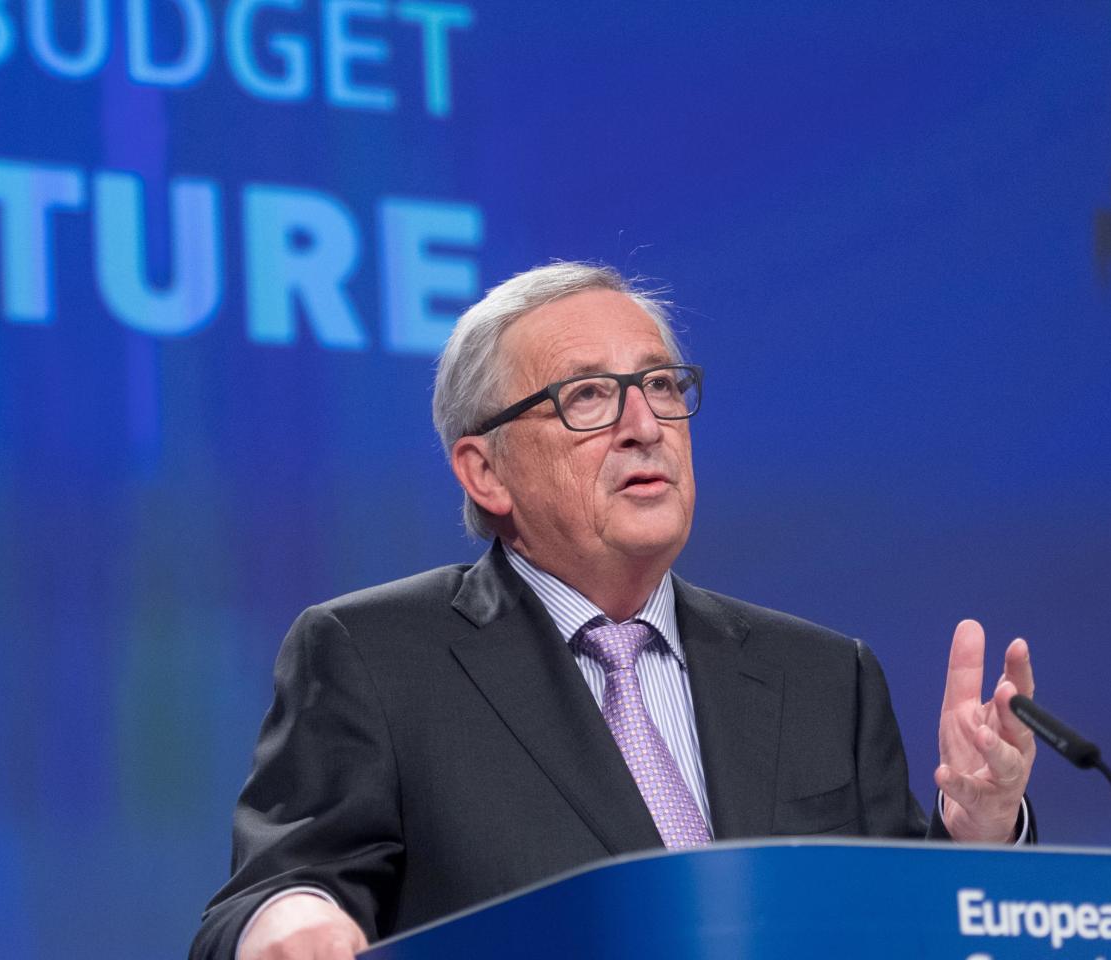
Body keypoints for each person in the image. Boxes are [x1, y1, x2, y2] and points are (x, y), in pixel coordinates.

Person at [190, 263, 1036, 960]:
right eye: (588, 397)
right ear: (485, 472)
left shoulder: (822, 676)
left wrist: (980, 837)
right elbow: (273, 889)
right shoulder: (376, 656)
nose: (645, 425)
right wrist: (291, 919)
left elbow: (907, 931)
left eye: (662, 385)